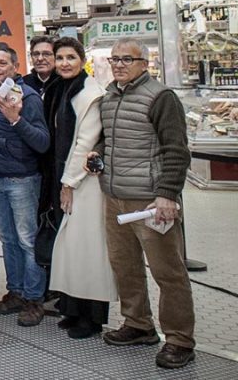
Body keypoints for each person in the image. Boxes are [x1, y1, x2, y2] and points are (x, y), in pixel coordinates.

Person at [99, 38, 195, 370]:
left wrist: (167, 194)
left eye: (127, 59)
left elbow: (177, 150)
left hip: (152, 201)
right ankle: (138, 324)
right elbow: (110, 139)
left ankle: (180, 339)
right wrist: (98, 155)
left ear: (145, 63)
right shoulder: (109, 97)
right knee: (124, 265)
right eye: (115, 60)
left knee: (168, 271)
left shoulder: (160, 97)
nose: (120, 65)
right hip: (115, 198)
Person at [44, 37, 115, 340]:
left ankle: (92, 318)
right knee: (72, 248)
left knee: (89, 249)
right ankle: (72, 309)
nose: (64, 63)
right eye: (60, 58)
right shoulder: (60, 91)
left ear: (82, 60)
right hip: (65, 177)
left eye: (70, 57)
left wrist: (68, 183)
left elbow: (85, 143)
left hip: (85, 182)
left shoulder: (91, 94)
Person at [0, 47, 50, 327]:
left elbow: (43, 141)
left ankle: (34, 298)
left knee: (27, 241)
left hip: (21, 180)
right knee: (8, 240)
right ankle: (16, 291)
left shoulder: (28, 97)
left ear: (15, 66)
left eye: (3, 63)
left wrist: (16, 119)